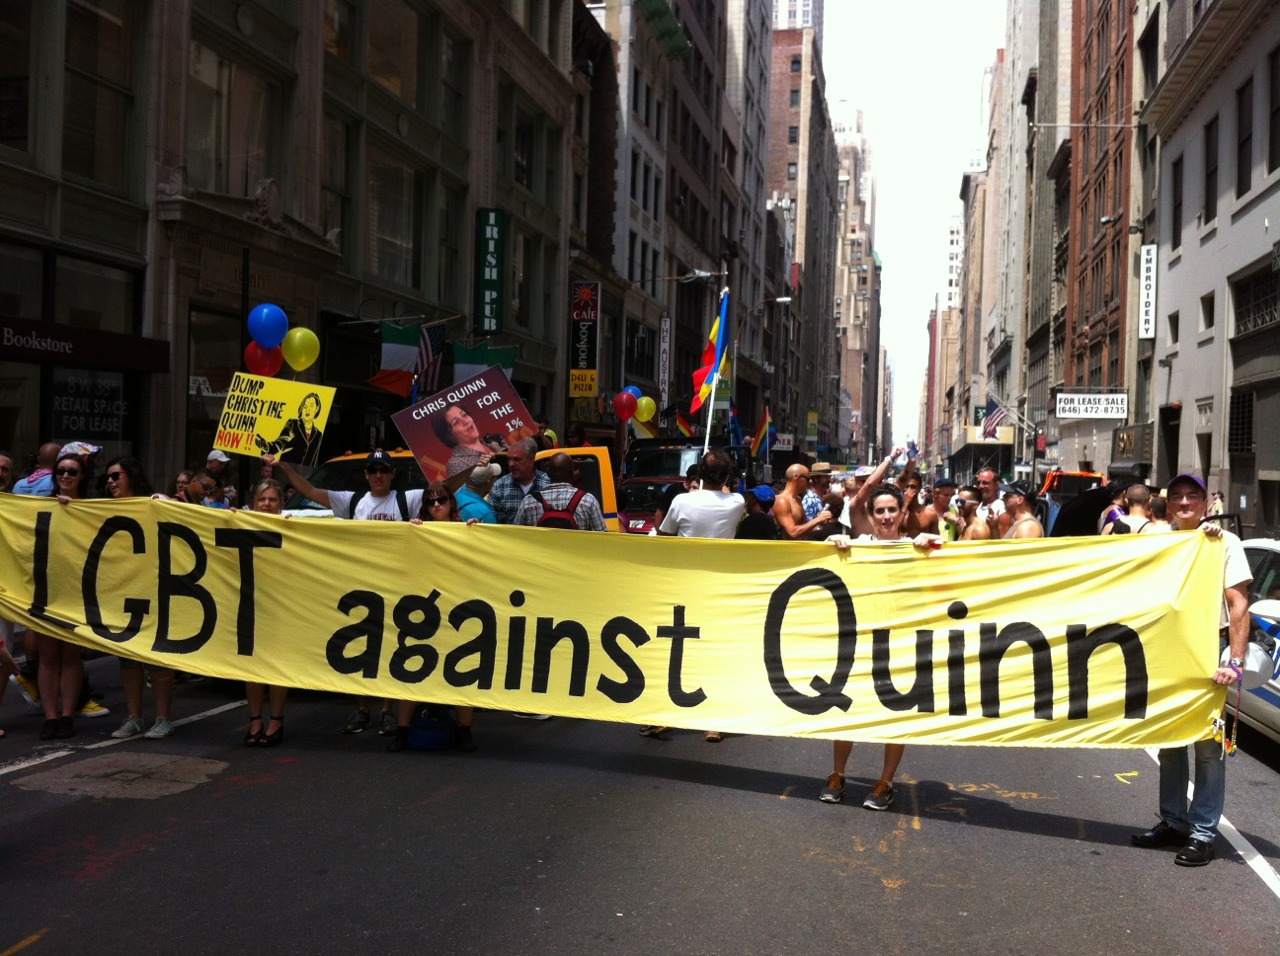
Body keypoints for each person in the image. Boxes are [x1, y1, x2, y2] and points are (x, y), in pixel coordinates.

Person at [1131, 472, 1251, 867]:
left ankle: (1202, 833)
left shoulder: (1223, 543)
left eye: (1192, 496)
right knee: (1169, 742)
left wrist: (1233, 661)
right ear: (1166, 504)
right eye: (1177, 496)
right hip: (1168, 651)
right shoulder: (1160, 540)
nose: (1184, 503)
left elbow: (1237, 605)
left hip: (1208, 650)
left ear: (1205, 502)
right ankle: (1173, 821)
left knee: (1207, 748)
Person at [267, 449, 425, 736]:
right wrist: (284, 467)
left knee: (391, 649)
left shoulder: (408, 499)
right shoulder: (352, 501)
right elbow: (311, 491)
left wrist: (471, 461)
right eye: (373, 470)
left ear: (392, 474)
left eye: (383, 470)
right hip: (360, 588)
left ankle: (387, 710)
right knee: (361, 650)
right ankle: (362, 708)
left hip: (397, 587)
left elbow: (445, 491)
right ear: (366, 475)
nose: (378, 475)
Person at [821, 485, 944, 809]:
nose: (887, 516)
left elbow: (952, 562)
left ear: (900, 513)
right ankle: (837, 775)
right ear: (871, 515)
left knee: (897, 713)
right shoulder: (858, 546)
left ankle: (884, 782)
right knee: (846, 709)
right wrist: (832, 542)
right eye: (880, 511)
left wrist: (932, 544)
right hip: (861, 640)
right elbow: (819, 560)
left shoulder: (915, 547)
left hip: (902, 642)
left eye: (892, 510)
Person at [656, 449, 744, 742]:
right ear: (728, 477)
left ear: (699, 476)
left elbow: (665, 534)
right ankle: (713, 721)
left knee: (675, 650)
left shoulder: (681, 501)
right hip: (720, 588)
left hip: (683, 586)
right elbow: (730, 493)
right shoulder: (736, 503)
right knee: (713, 652)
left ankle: (664, 714)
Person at [386, 482, 479, 753]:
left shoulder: (467, 529)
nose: (436, 505)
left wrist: (475, 536)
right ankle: (402, 732)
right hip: (423, 611)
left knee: (462, 672)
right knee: (411, 670)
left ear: (452, 502)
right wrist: (410, 535)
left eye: (441, 499)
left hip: (458, 612)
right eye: (430, 501)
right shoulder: (418, 531)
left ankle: (465, 732)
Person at [103, 457, 178, 740]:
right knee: (128, 660)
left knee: (158, 658)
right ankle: (134, 717)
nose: (110, 482)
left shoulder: (154, 501)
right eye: (107, 478)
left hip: (156, 591)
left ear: (131, 476)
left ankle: (164, 717)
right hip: (124, 593)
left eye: (115, 476)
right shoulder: (103, 509)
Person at [36, 455, 99, 739]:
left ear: (82, 476)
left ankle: (67, 715)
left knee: (71, 655)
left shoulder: (91, 509)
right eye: (60, 471)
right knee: (48, 656)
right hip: (46, 589)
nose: (65, 476)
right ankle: (50, 717)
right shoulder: (40, 506)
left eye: (72, 472)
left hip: (77, 590)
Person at [242, 479, 290, 747]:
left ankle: (276, 720)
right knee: (252, 668)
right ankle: (255, 719)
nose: (267, 504)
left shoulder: (290, 526)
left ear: (281, 504)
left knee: (276, 666)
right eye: (263, 500)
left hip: (280, 606)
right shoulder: (242, 524)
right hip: (251, 605)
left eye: (273, 500)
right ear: (254, 503)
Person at [514, 453, 606, 530]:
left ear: (548, 474)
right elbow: (602, 539)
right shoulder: (588, 501)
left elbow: (516, 538)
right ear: (572, 473)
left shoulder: (528, 502)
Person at [432, 403, 504, 478]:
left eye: (464, 415)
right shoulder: (455, 464)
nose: (465, 421)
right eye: (456, 422)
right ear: (449, 436)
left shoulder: (492, 442)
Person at [254, 391, 325, 467]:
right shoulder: (293, 423)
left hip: (304, 474)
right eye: (305, 406)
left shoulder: (318, 434)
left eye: (311, 406)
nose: (307, 409)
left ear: (317, 409)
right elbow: (280, 442)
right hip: (287, 468)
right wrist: (266, 446)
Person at [489, 438, 549, 524]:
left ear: (531, 459)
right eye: (509, 459)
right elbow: (490, 522)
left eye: (517, 459)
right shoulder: (500, 487)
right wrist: (479, 524)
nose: (511, 464)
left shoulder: (547, 485)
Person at [773, 464, 834, 540]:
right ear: (797, 478)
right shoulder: (782, 501)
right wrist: (818, 519)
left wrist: (820, 525)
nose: (809, 483)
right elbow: (792, 532)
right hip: (787, 550)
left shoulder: (798, 499)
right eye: (808, 479)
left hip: (799, 549)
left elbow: (803, 530)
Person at [973, 468, 1005, 532]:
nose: (981, 486)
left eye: (985, 483)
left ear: (996, 485)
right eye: (978, 483)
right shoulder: (976, 507)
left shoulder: (1002, 509)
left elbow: (1002, 540)